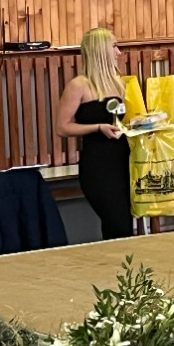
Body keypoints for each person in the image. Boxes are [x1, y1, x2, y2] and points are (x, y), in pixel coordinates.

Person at [55, 27, 132, 240]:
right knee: (117, 223)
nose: (119, 52)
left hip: (122, 159)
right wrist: (97, 128)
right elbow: (62, 127)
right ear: (101, 50)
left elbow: (118, 121)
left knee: (124, 223)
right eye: (114, 46)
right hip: (98, 164)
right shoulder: (78, 85)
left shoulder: (118, 83)